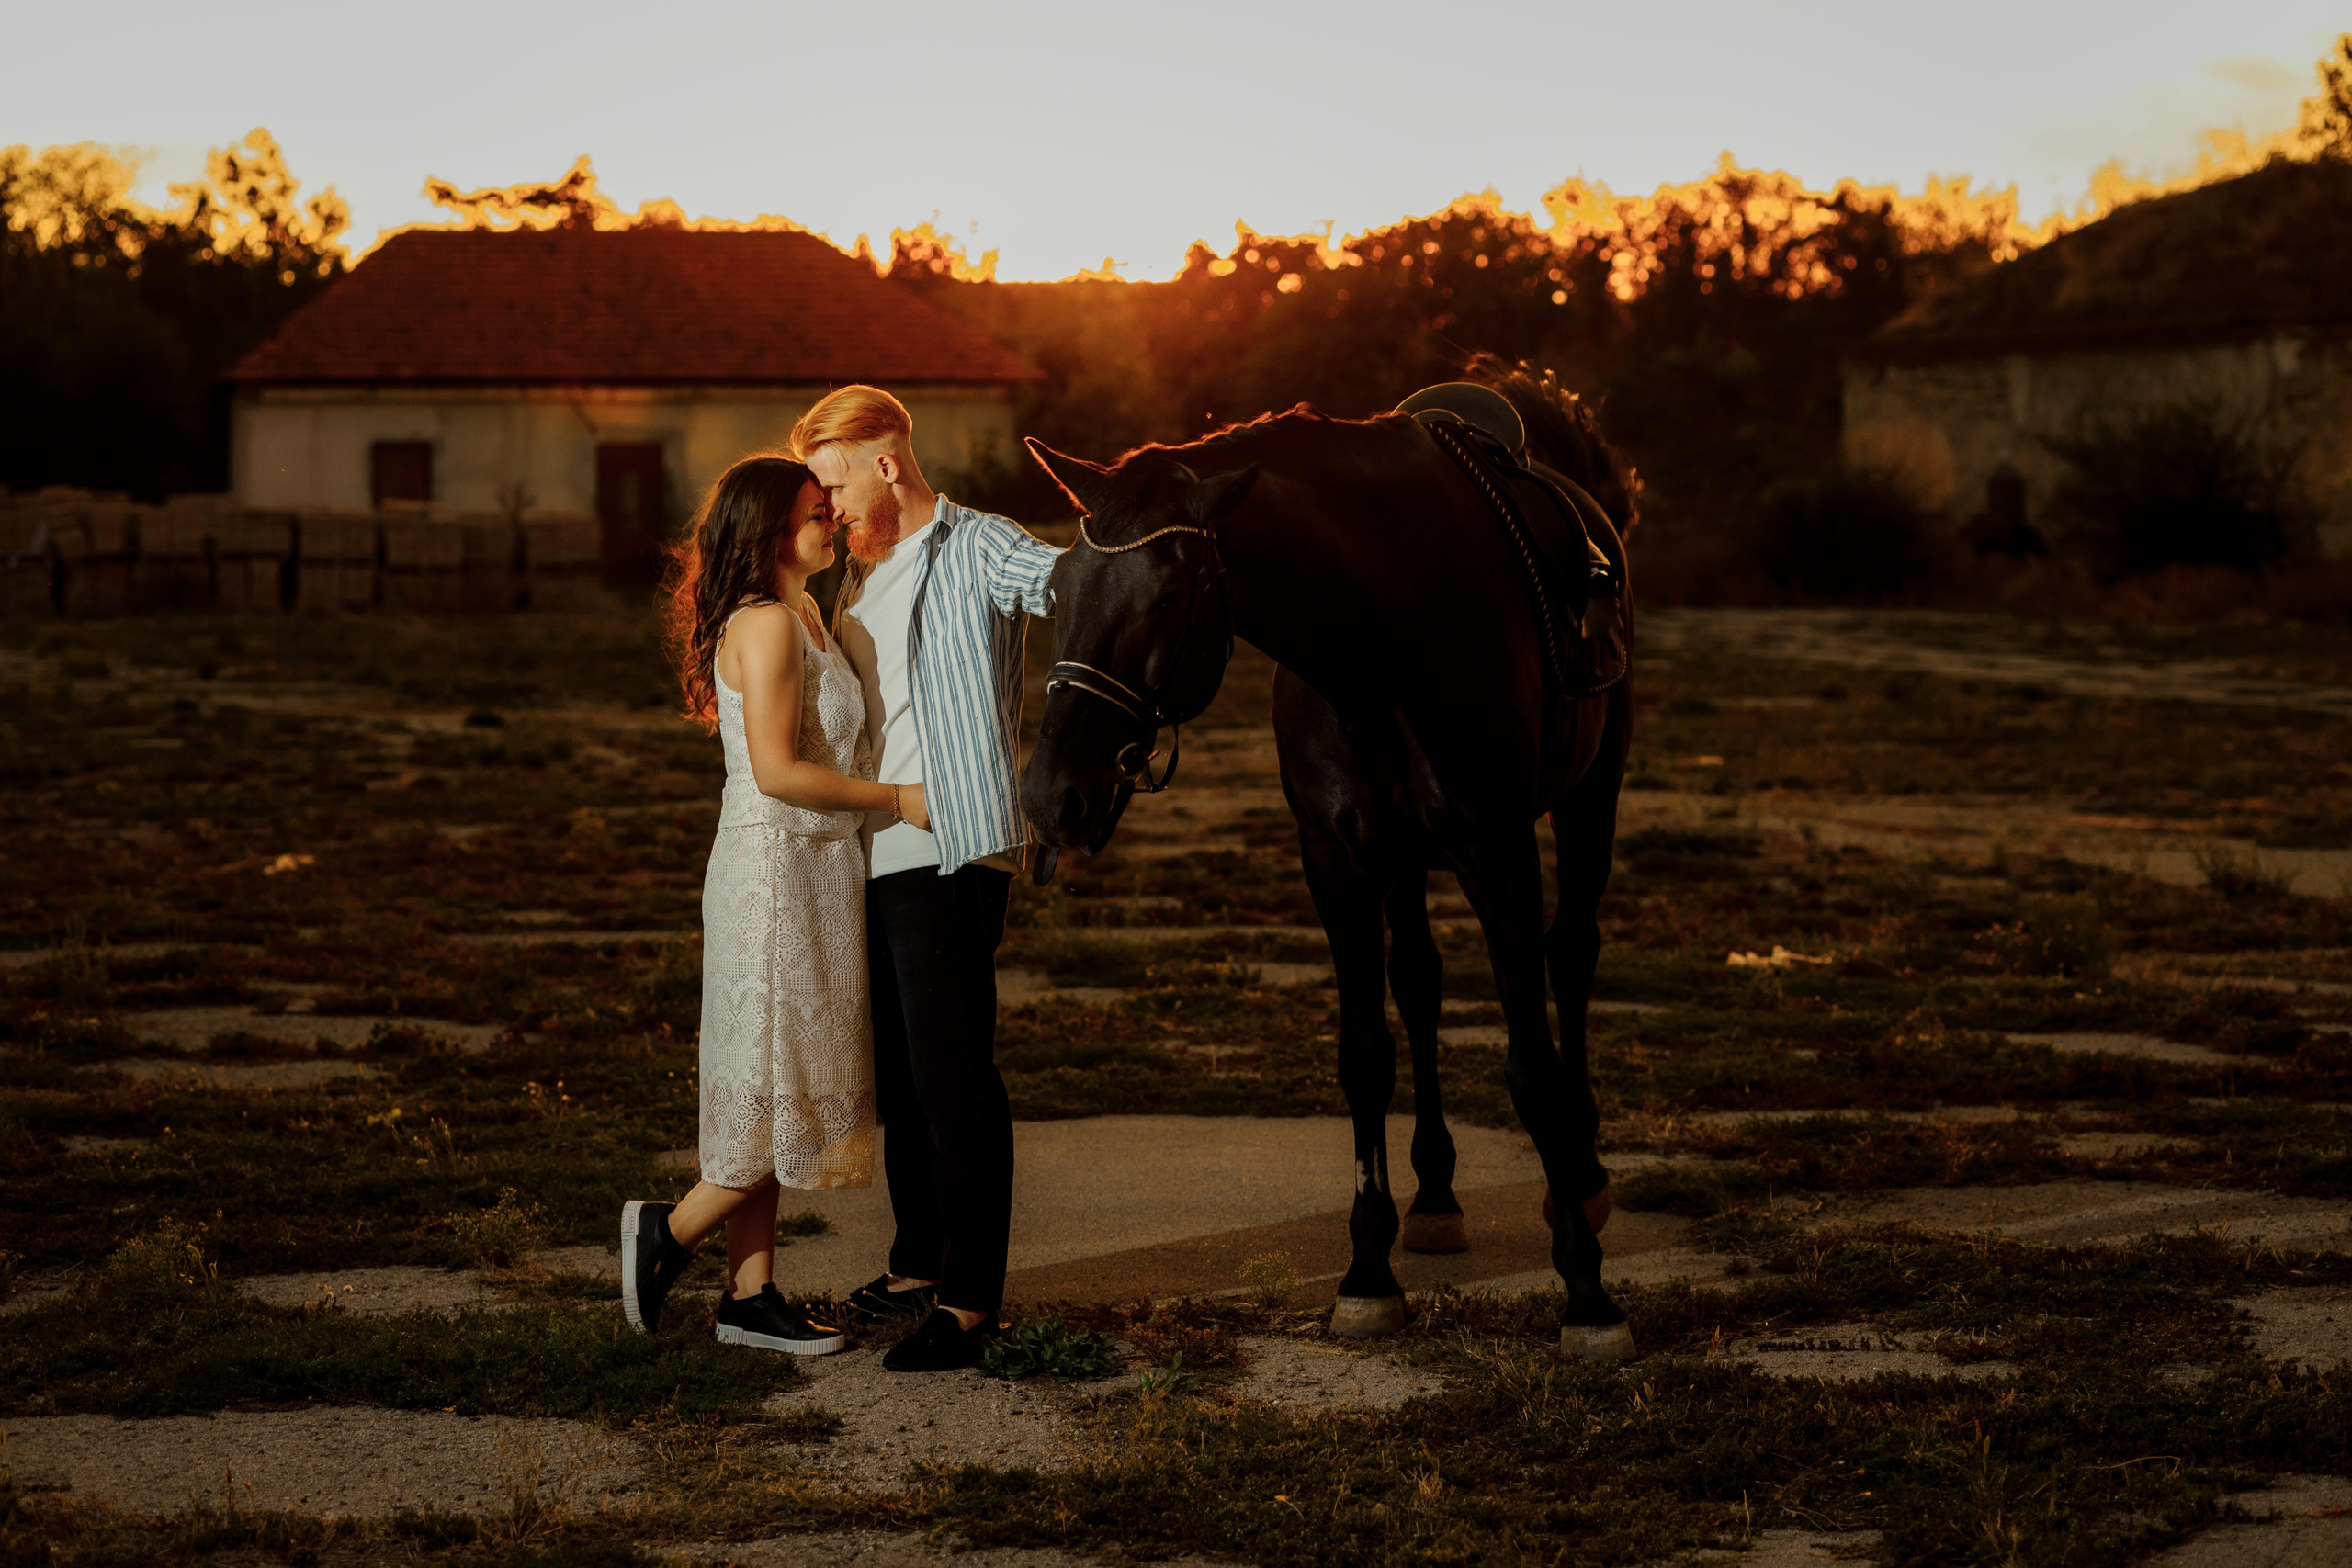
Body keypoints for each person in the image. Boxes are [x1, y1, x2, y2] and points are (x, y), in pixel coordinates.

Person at [620, 454, 926, 1355]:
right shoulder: (765, 625)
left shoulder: (808, 615)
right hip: (774, 874)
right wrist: (901, 800)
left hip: (818, 870)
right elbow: (778, 772)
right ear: (767, 533)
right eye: (813, 512)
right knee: (777, 1084)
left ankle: (749, 1296)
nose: (832, 519)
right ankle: (668, 1232)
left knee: (774, 1085)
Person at [797, 386, 1058, 1372]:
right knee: (900, 1082)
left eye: (833, 487)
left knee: (952, 1077)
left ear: (886, 464)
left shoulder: (980, 544)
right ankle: (916, 1264)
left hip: (948, 846)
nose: (828, 510)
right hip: (866, 849)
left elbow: (1077, 587)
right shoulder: (855, 575)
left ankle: (971, 1300)